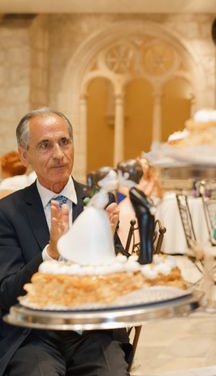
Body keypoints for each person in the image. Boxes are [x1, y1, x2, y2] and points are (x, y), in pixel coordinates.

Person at [0, 108, 130, 375]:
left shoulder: (98, 201)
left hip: (93, 332)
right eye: (45, 145)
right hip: (33, 336)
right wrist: (50, 253)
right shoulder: (8, 212)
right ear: (25, 155)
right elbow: (6, 293)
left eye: (64, 142)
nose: (58, 154)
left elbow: (124, 285)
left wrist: (106, 248)